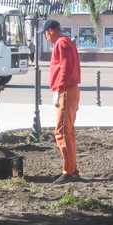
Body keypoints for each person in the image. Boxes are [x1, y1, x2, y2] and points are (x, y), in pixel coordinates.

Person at [42, 19, 82, 184]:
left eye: (45, 33)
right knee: (68, 132)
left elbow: (65, 68)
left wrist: (59, 90)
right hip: (70, 90)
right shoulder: (67, 42)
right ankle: (72, 168)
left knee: (61, 132)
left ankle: (69, 171)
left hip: (66, 91)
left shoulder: (61, 43)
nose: (45, 37)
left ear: (50, 30)